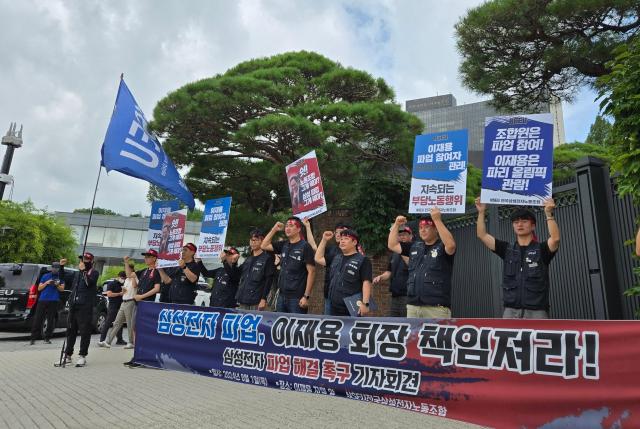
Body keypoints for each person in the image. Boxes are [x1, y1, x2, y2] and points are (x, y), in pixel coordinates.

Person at [476, 197, 560, 319]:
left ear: (533, 226)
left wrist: (549, 214)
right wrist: (481, 212)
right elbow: (482, 235)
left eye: (524, 221)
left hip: (537, 312)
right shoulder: (507, 249)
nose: (519, 224)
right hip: (510, 311)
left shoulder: (541, 249)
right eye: (516, 222)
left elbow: (555, 239)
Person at [388, 208, 456, 319]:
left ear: (436, 229)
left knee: (436, 337)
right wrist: (396, 225)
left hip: (436, 308)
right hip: (413, 306)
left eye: (427, 227)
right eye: (420, 228)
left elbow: (451, 245)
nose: (423, 230)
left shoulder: (443, 246)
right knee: (412, 337)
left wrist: (437, 220)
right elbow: (392, 245)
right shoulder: (415, 246)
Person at [261, 217, 316, 314]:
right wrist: (274, 229)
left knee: (296, 327)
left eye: (291, 226)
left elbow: (311, 272)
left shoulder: (305, 246)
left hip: (297, 298)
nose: (287, 228)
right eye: (286, 226)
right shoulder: (284, 245)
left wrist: (306, 296)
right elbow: (264, 245)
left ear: (299, 229)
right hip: (282, 295)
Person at [315, 229, 372, 316]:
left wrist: (365, 303)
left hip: (351, 308)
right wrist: (324, 240)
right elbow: (318, 258)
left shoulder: (363, 260)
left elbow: (366, 282)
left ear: (354, 242)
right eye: (341, 239)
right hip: (333, 307)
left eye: (346, 239)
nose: (342, 241)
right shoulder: (336, 257)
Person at [61, 252, 99, 367]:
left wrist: (83, 271)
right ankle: (67, 355)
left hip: (85, 306)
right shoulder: (77, 273)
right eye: (82, 259)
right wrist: (61, 267)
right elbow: (64, 279)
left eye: (86, 259)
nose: (83, 261)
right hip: (74, 305)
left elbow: (89, 283)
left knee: (84, 331)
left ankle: (82, 356)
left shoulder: (94, 273)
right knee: (70, 330)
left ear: (91, 261)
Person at [373, 225, 412, 317]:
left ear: (411, 236)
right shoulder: (394, 254)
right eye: (400, 235)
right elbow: (389, 272)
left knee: (406, 324)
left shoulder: (414, 249)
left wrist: (402, 252)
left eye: (405, 234)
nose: (402, 237)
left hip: (407, 296)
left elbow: (412, 266)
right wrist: (381, 277)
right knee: (394, 323)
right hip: (394, 296)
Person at [314, 222, 350, 315]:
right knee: (329, 323)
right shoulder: (333, 249)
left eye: (341, 232)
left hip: (348, 298)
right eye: (336, 232)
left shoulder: (357, 254)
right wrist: (324, 239)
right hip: (330, 295)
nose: (338, 234)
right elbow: (318, 257)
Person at [100, 259, 137, 348]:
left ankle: (131, 342)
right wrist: (122, 291)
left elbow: (135, 286)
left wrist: (133, 276)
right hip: (123, 302)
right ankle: (108, 341)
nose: (126, 271)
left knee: (129, 323)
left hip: (130, 301)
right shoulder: (126, 280)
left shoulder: (134, 278)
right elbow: (124, 291)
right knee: (117, 322)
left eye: (127, 269)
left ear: (131, 270)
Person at [236, 229, 276, 311]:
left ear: (262, 241)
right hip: (243, 299)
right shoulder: (248, 259)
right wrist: (229, 262)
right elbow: (236, 274)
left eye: (256, 240)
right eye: (251, 239)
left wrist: (263, 299)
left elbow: (269, 280)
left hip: (256, 301)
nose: (253, 242)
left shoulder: (267, 258)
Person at [30, 260, 66, 344]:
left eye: (57, 268)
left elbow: (62, 289)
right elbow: (39, 288)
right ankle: (33, 338)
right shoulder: (46, 276)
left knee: (51, 320)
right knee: (38, 319)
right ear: (51, 268)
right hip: (42, 300)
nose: (55, 270)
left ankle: (47, 338)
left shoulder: (60, 277)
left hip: (53, 300)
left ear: (59, 269)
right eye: (54, 268)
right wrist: (46, 283)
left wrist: (57, 284)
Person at [97, 271, 126, 346]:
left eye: (124, 278)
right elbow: (109, 294)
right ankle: (102, 340)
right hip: (113, 306)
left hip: (121, 305)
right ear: (118, 276)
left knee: (120, 323)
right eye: (122, 278)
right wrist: (119, 294)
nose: (123, 279)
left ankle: (119, 339)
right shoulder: (111, 284)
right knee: (108, 322)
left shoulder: (123, 284)